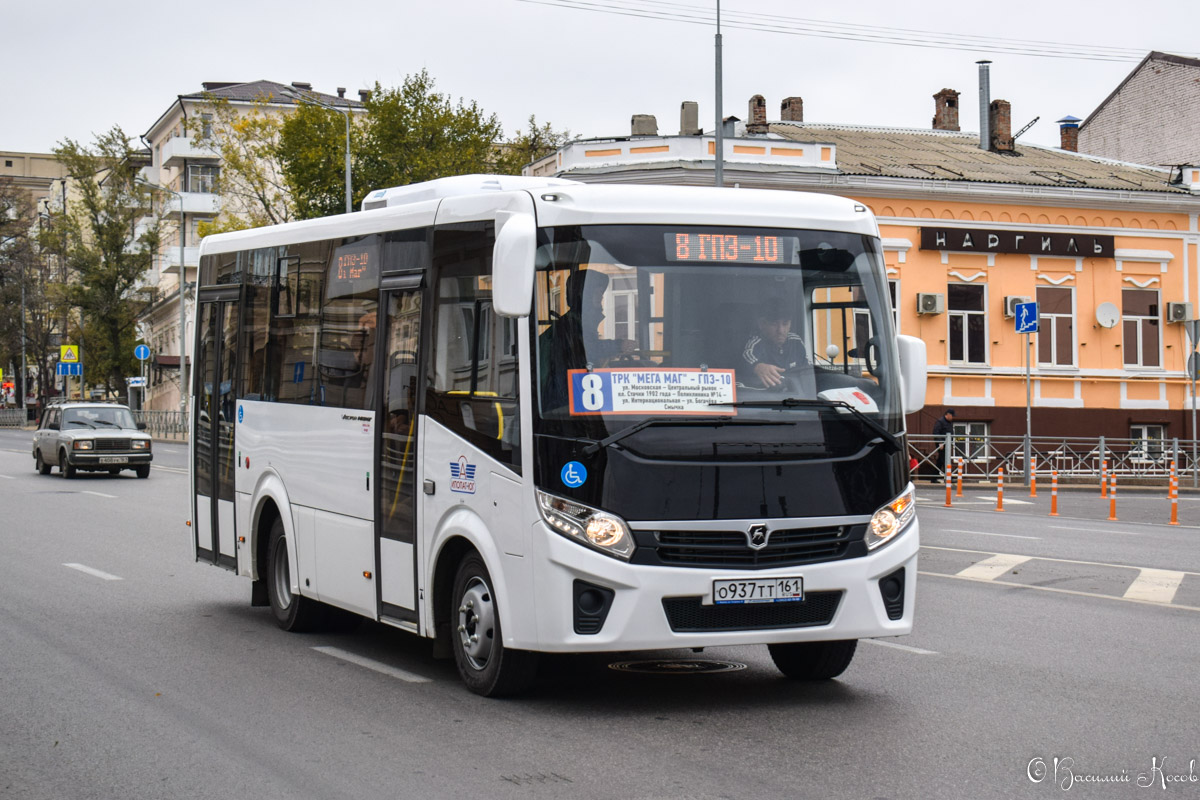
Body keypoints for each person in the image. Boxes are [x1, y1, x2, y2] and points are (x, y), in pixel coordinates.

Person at [539, 270, 635, 409]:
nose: (601, 300)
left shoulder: (576, 322)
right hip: (560, 404)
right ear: (584, 295)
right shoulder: (571, 326)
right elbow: (588, 348)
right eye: (598, 295)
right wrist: (618, 345)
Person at [741, 297, 810, 388]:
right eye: (774, 324)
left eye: (785, 324)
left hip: (796, 396)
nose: (780, 330)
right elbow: (746, 359)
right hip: (768, 397)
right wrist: (757, 367)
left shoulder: (796, 342)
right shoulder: (755, 344)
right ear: (762, 324)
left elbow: (806, 371)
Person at [931, 408, 955, 479]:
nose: (953, 417)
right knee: (945, 459)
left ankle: (934, 477)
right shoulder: (940, 422)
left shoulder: (949, 422)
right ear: (948, 415)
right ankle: (948, 477)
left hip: (947, 444)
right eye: (952, 416)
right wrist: (940, 442)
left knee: (941, 460)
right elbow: (936, 432)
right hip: (942, 444)